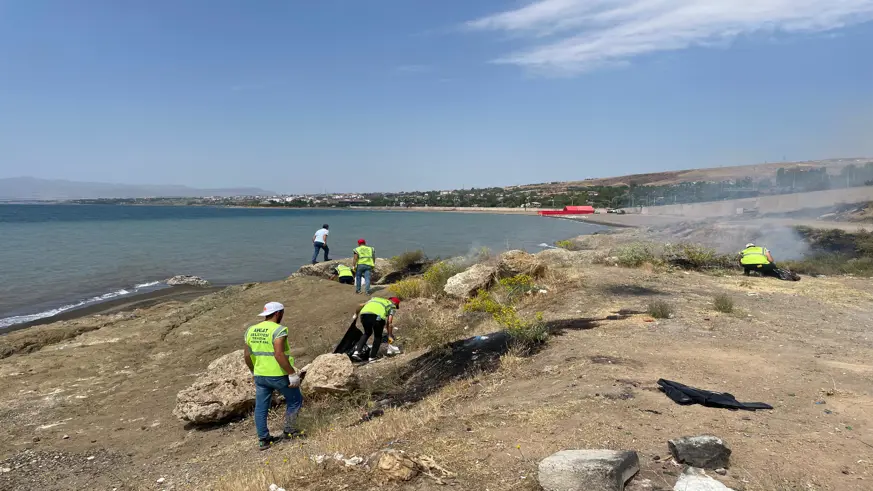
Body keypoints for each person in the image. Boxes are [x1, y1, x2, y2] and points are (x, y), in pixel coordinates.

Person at [243, 301, 304, 450]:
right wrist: (292, 373)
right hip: (278, 375)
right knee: (295, 399)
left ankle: (263, 439)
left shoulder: (251, 330)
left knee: (261, 407)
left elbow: (246, 355)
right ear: (278, 313)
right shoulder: (279, 330)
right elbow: (278, 354)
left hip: (260, 374)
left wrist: (253, 370)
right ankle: (290, 430)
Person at [351, 297, 399, 362]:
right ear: (395, 303)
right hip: (377, 317)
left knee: (367, 333)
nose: (395, 307)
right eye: (396, 306)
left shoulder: (375, 299)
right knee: (378, 336)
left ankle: (357, 352)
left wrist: (356, 314)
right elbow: (389, 322)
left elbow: (360, 305)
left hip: (364, 315)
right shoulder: (391, 305)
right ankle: (372, 357)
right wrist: (390, 335)